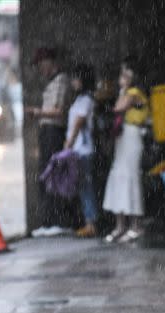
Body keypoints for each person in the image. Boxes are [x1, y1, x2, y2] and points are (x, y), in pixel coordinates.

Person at [26, 47, 73, 237]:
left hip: (55, 131)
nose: (40, 69)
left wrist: (37, 112)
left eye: (41, 65)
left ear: (49, 62)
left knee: (55, 175)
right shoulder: (51, 82)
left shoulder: (61, 80)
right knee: (46, 175)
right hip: (46, 131)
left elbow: (59, 111)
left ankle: (58, 220)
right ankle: (48, 221)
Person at [102, 57, 150, 243]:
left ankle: (135, 225)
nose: (122, 77)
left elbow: (119, 107)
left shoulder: (134, 92)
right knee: (118, 177)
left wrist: (122, 91)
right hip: (122, 139)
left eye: (126, 73)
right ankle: (120, 226)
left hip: (132, 136)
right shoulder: (125, 91)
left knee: (131, 178)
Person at [64, 63, 98, 238]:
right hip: (78, 149)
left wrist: (68, 143)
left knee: (86, 186)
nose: (73, 81)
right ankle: (87, 220)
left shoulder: (86, 100)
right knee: (82, 185)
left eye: (76, 78)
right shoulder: (79, 99)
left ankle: (91, 222)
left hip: (83, 149)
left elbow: (78, 122)